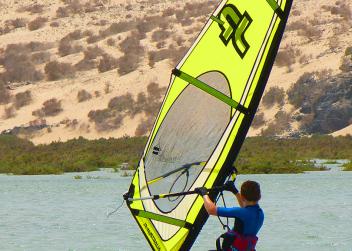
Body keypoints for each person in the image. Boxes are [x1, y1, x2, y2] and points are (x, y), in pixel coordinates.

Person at [195, 180, 264, 251]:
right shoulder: (260, 213)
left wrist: (204, 194)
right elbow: (246, 207)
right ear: (259, 196)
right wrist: (235, 191)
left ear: (243, 197)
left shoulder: (240, 212)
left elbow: (211, 210)